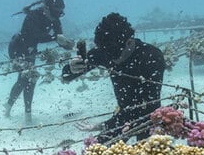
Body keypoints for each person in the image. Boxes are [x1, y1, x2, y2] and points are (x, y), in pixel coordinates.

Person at [62, 12, 166, 143]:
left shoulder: (151, 56)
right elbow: (66, 77)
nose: (112, 60)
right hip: (121, 115)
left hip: (149, 118)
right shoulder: (106, 51)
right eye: (107, 56)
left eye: (115, 55)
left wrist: (105, 125)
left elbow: (146, 106)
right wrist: (71, 68)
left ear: (129, 42)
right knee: (99, 154)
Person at [5, 0, 73, 123]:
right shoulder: (33, 16)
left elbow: (59, 37)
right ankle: (12, 108)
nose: (57, 15)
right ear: (46, 8)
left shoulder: (55, 19)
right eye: (55, 11)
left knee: (31, 79)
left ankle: (24, 112)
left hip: (31, 49)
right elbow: (33, 36)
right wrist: (55, 38)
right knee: (25, 78)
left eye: (60, 12)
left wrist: (66, 44)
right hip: (18, 47)